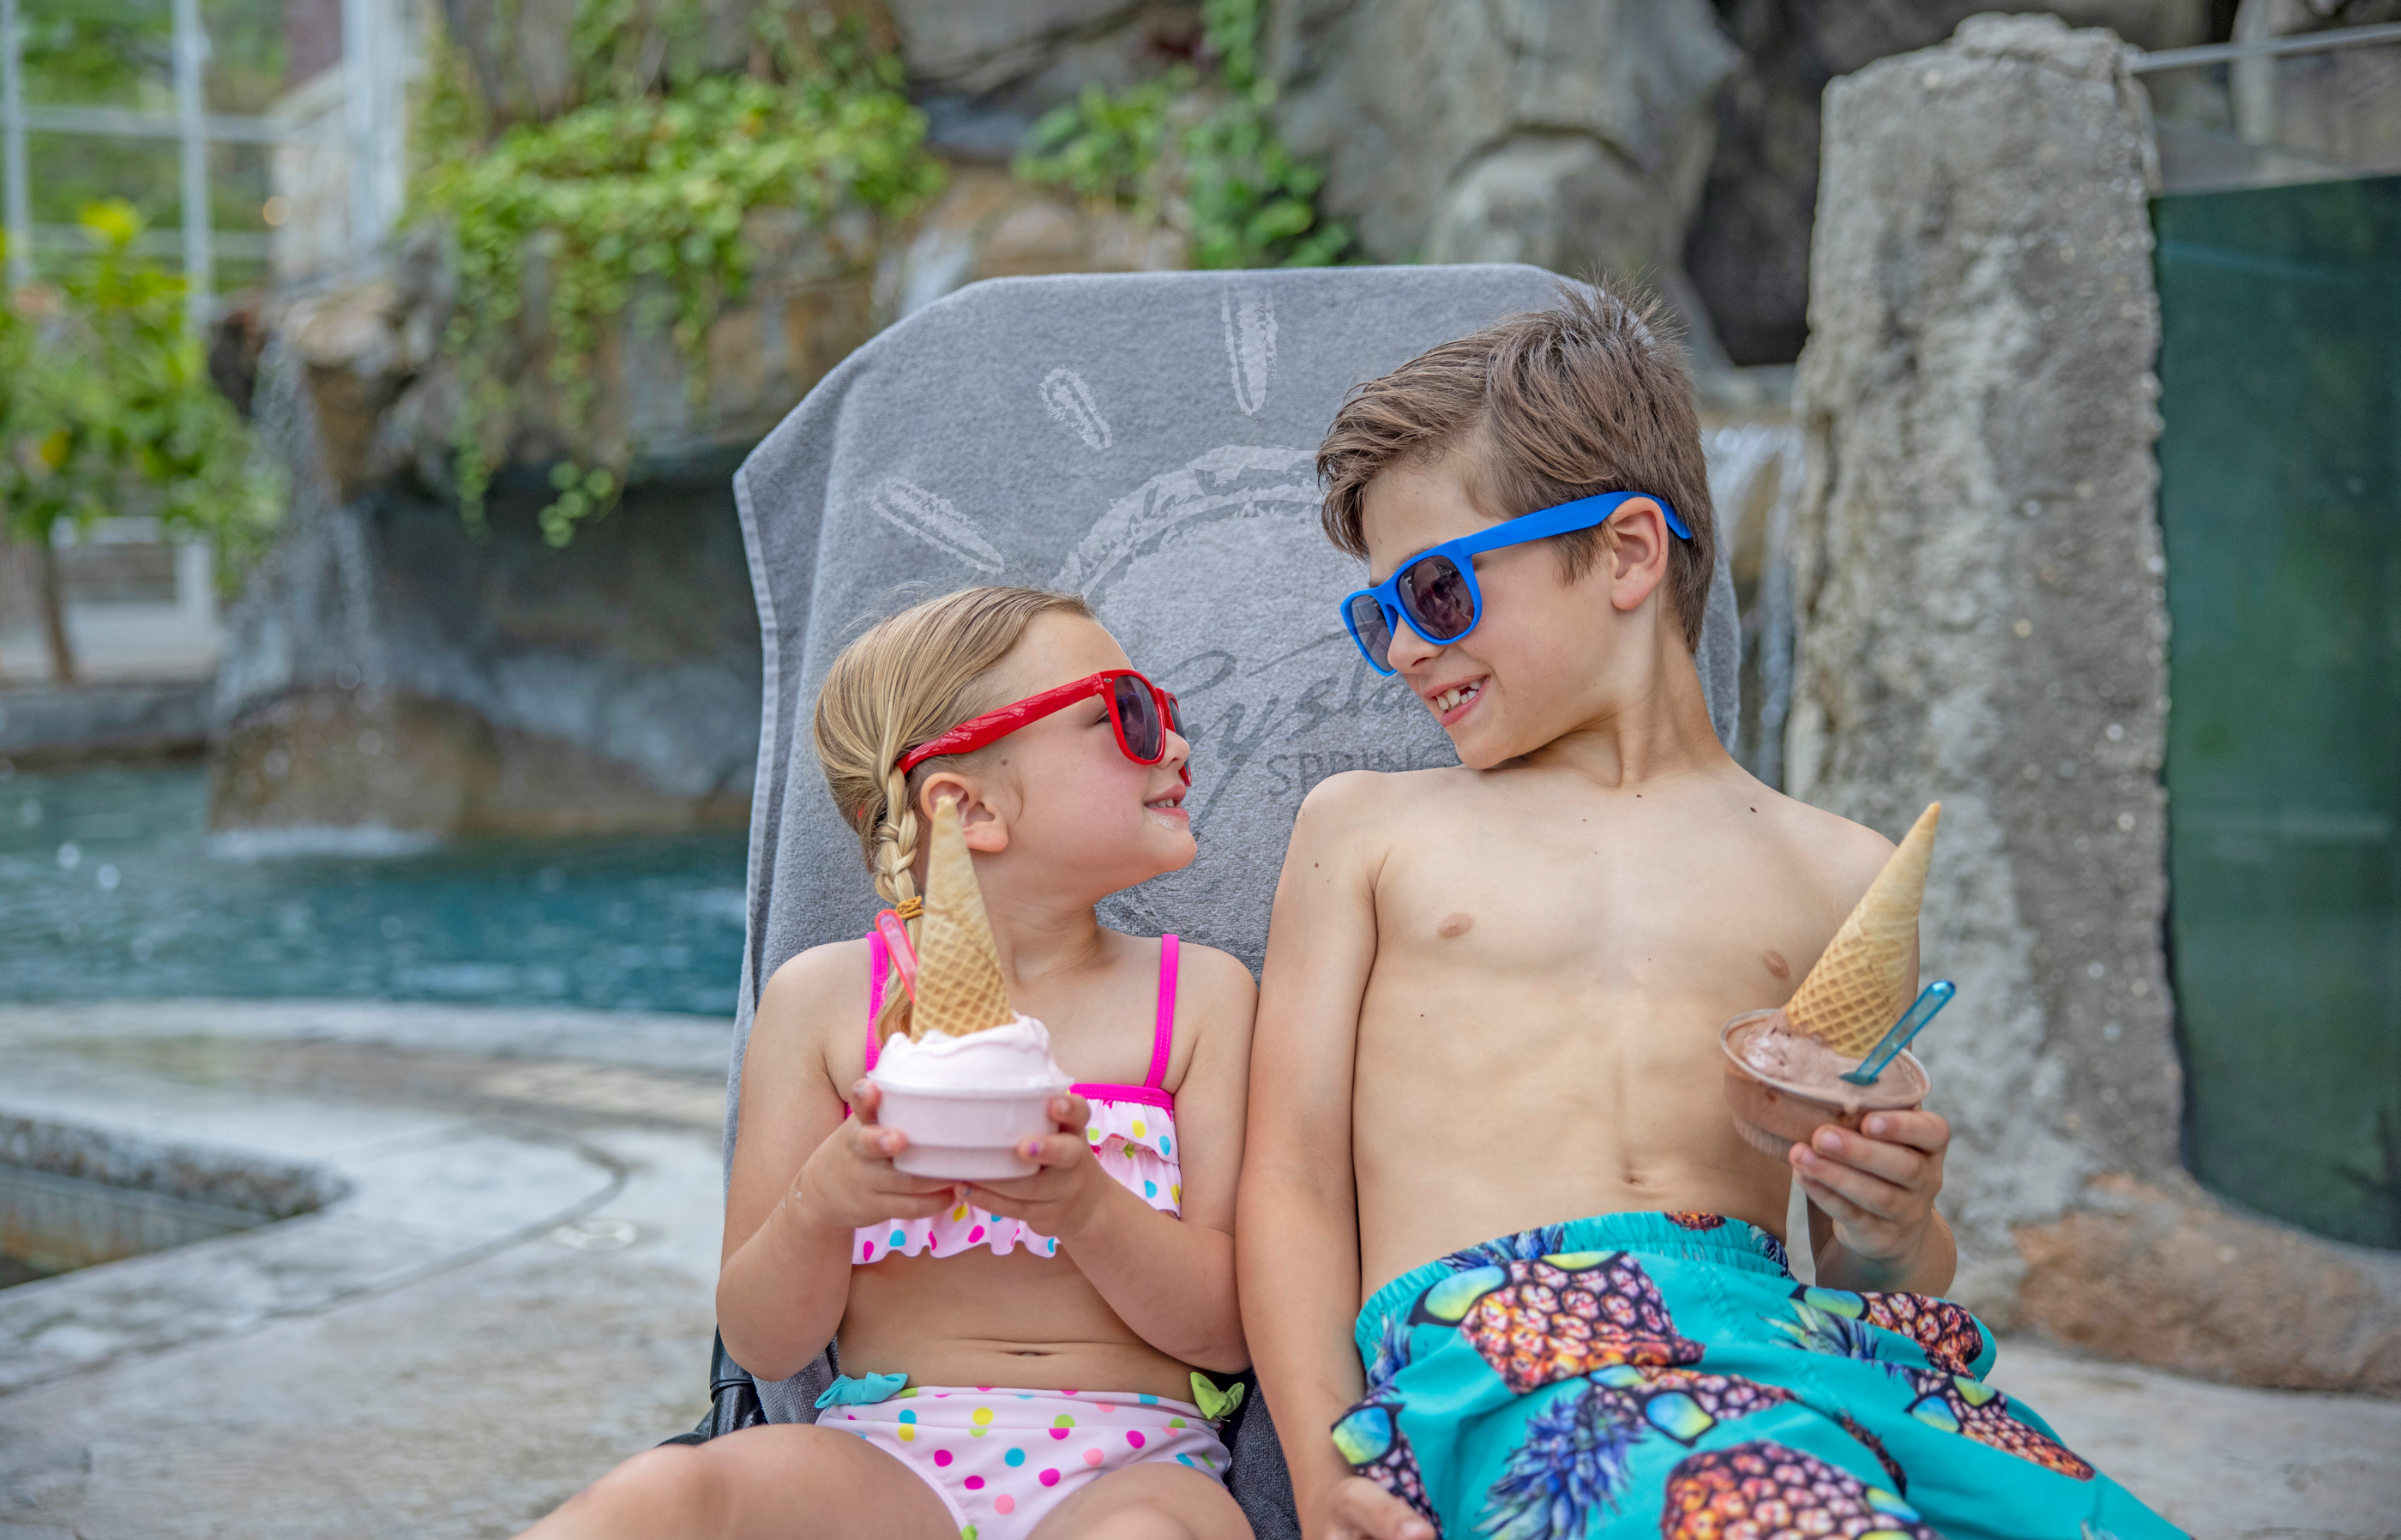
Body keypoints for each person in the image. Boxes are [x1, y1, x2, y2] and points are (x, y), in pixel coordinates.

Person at [1237, 288, 2180, 1540]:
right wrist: (1319, 1472)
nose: (1407, 648)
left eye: (1440, 596)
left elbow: (1871, 1267)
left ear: (1627, 553)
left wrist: (1890, 1222)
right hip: (1513, 1361)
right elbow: (1290, 1177)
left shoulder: (1834, 870)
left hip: (1789, 1350)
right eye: (1380, 616)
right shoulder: (1369, 830)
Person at [527, 587, 1258, 1540]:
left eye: (1166, 710)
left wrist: (1086, 1204)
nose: (1173, 740)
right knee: (666, 1494)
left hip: (1134, 1465)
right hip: (881, 1460)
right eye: (1123, 712)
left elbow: (1232, 1331)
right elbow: (762, 1340)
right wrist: (824, 1201)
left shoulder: (1197, 998)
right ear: (968, 805)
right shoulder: (823, 1004)